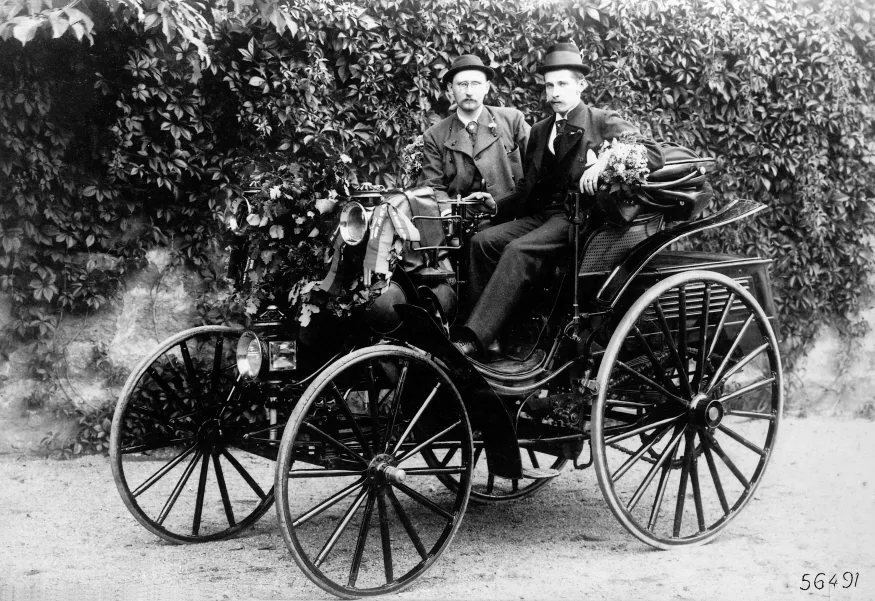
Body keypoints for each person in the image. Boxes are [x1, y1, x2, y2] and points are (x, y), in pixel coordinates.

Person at [454, 42, 665, 360]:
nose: (554, 92)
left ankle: (476, 339)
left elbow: (651, 151)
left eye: (563, 84)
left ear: (581, 85)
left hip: (581, 220)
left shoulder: (600, 120)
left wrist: (604, 161)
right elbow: (527, 189)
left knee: (518, 250)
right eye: (549, 85)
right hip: (544, 216)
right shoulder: (540, 131)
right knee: (482, 242)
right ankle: (493, 337)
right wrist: (496, 205)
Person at [417, 54, 531, 224]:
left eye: (476, 84)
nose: (469, 91)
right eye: (462, 84)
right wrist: (450, 214)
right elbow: (432, 186)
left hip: (510, 217)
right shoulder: (435, 134)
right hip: (460, 220)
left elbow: (537, 167)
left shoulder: (512, 120)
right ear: (450, 88)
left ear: (487, 87)